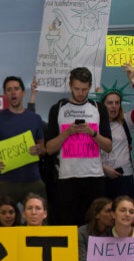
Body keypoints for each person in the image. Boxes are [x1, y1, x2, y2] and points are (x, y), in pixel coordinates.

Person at [46, 67, 112, 226]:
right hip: (67, 178)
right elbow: (49, 148)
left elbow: (108, 146)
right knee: (69, 225)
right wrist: (67, 133)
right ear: (70, 86)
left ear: (90, 86)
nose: (81, 93)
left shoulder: (98, 108)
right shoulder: (58, 108)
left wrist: (92, 133)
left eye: (84, 89)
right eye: (77, 89)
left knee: (96, 225)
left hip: (94, 176)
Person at [0, 76, 47, 210]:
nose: (13, 92)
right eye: (9, 90)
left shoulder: (35, 119)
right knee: (0, 222)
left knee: (40, 222)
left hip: (32, 179)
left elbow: (43, 148)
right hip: (6, 180)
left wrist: (39, 149)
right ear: (5, 94)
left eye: (16, 89)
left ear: (23, 93)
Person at [99, 89, 134, 199]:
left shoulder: (125, 120)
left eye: (117, 102)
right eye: (110, 103)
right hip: (101, 177)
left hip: (124, 178)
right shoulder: (93, 124)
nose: (114, 106)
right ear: (102, 105)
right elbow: (85, 153)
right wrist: (103, 168)